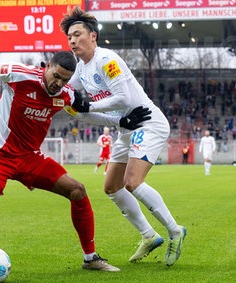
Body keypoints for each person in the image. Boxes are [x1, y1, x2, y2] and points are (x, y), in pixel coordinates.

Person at [0, 51, 150, 272]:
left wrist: (122, 122)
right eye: (56, 75)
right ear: (47, 66)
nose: (58, 83)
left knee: (78, 190)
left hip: (29, 157)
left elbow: (83, 114)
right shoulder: (20, 75)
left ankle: (90, 258)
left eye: (64, 79)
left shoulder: (65, 94)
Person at [61, 6, 187, 267]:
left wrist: (88, 106)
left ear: (93, 35)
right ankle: (148, 235)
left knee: (132, 181)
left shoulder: (107, 60)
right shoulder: (81, 70)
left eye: (77, 34)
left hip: (147, 123)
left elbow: (124, 98)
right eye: (69, 37)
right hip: (127, 127)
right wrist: (68, 100)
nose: (72, 41)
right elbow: (72, 101)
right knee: (111, 187)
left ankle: (175, 230)